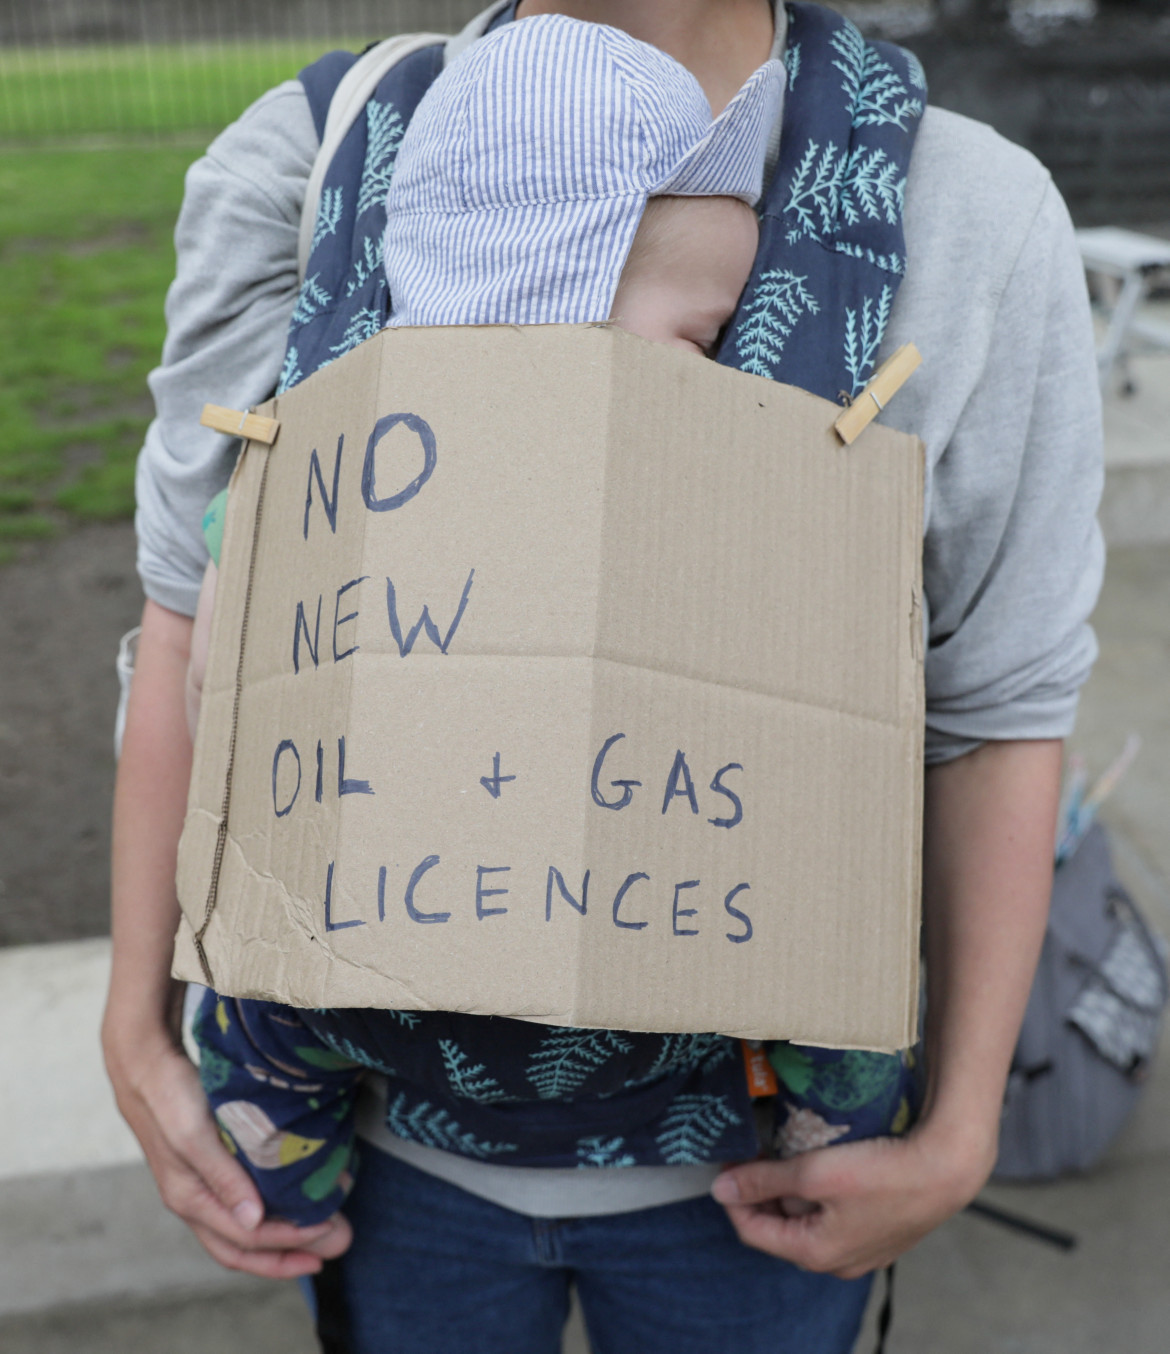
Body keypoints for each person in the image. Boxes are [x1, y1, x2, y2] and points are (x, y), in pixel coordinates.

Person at [105, 0, 1103, 1349]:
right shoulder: (309, 157)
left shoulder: (966, 209)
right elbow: (188, 623)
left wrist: (962, 1123)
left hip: (753, 1193)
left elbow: (996, 704)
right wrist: (136, 1023)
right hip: (398, 1163)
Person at [185, 15, 781, 1228]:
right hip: (409, 918)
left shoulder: (342, 459)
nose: (716, 372)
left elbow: (222, 647)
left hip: (377, 935)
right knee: (842, 1031)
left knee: (255, 1036)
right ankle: (279, 1194)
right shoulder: (408, 481)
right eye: (698, 335)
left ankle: (281, 1180)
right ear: (556, 304)